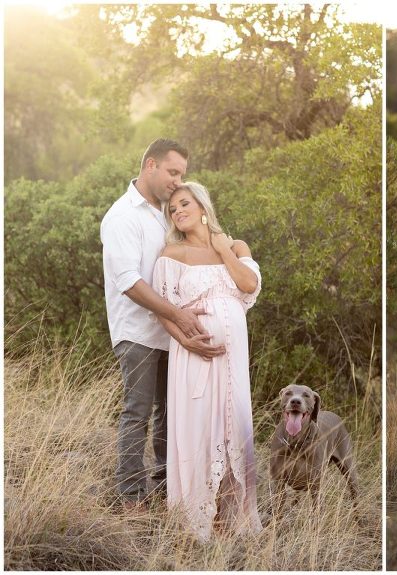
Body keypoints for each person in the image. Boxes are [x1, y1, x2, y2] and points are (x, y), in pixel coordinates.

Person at [101, 139, 225, 512]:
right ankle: (131, 498)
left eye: (182, 176)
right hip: (138, 333)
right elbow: (129, 281)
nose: (177, 181)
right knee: (137, 411)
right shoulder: (122, 216)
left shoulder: (165, 213)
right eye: (173, 172)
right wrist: (177, 314)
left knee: (172, 413)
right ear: (150, 165)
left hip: (172, 336)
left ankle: (167, 491)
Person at [151, 181, 264, 541]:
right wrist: (188, 339)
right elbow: (162, 311)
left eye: (184, 203)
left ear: (202, 205)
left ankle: (233, 521)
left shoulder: (235, 246)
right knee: (200, 426)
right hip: (195, 357)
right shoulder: (173, 254)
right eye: (172, 209)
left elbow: (248, 284)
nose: (177, 211)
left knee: (233, 423)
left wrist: (223, 251)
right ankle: (196, 522)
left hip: (233, 364)